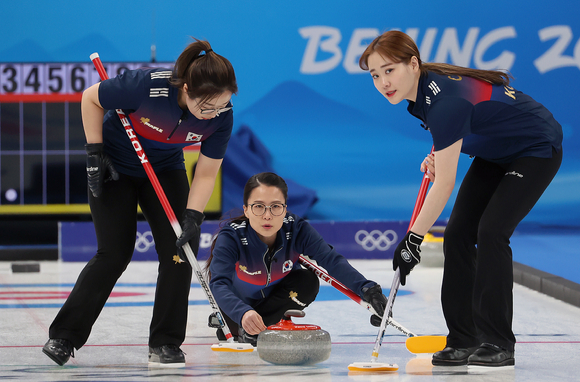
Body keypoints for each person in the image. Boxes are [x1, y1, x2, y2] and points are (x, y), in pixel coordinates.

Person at [359, 31, 563, 368]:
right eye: (375, 75)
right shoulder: (423, 93)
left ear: (413, 64)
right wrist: (438, 153)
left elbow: (445, 184)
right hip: (496, 152)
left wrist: (413, 238)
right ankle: (462, 339)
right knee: (457, 235)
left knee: (492, 232)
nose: (383, 82)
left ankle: (498, 342)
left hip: (535, 148)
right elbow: (466, 126)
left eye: (389, 70)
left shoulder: (443, 101)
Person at [42, 38, 238, 368]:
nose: (213, 114)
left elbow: (206, 173)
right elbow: (91, 98)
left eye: (222, 105)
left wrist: (193, 215)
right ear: (186, 88)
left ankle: (165, 343)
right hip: (114, 165)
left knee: (180, 253)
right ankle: (64, 336)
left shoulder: (221, 116)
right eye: (206, 107)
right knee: (114, 253)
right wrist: (94, 152)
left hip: (164, 170)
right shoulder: (146, 86)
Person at [206, 172, 388, 345]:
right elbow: (219, 283)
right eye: (259, 206)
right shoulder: (232, 237)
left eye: (276, 206)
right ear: (246, 210)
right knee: (230, 327)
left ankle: (260, 327)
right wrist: (242, 313)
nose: (267, 215)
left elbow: (331, 260)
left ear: (285, 209)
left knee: (307, 281)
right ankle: (244, 326)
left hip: (274, 303)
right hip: (238, 307)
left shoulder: (296, 230)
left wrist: (368, 290)